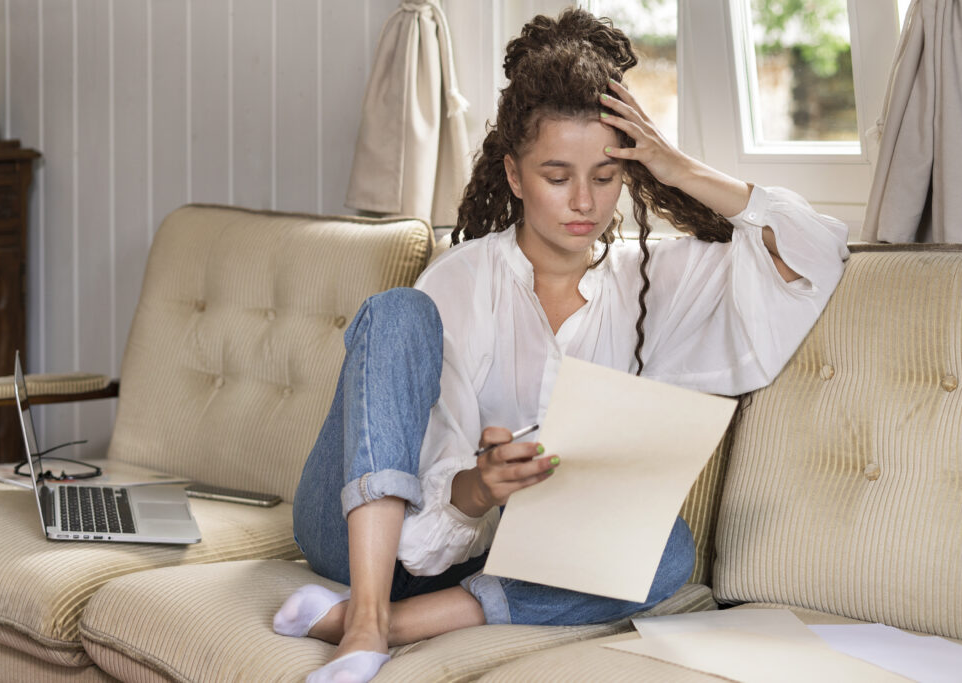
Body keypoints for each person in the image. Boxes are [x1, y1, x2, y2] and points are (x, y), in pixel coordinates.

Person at [276, 8, 850, 683]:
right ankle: (368, 613)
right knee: (395, 313)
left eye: (605, 176)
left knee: (669, 550)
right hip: (359, 533)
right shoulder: (463, 279)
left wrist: (676, 167)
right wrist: (479, 488)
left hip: (510, 554)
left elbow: (815, 252)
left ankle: (393, 623)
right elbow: (423, 529)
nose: (584, 202)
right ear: (516, 176)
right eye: (557, 177)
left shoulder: (654, 279)